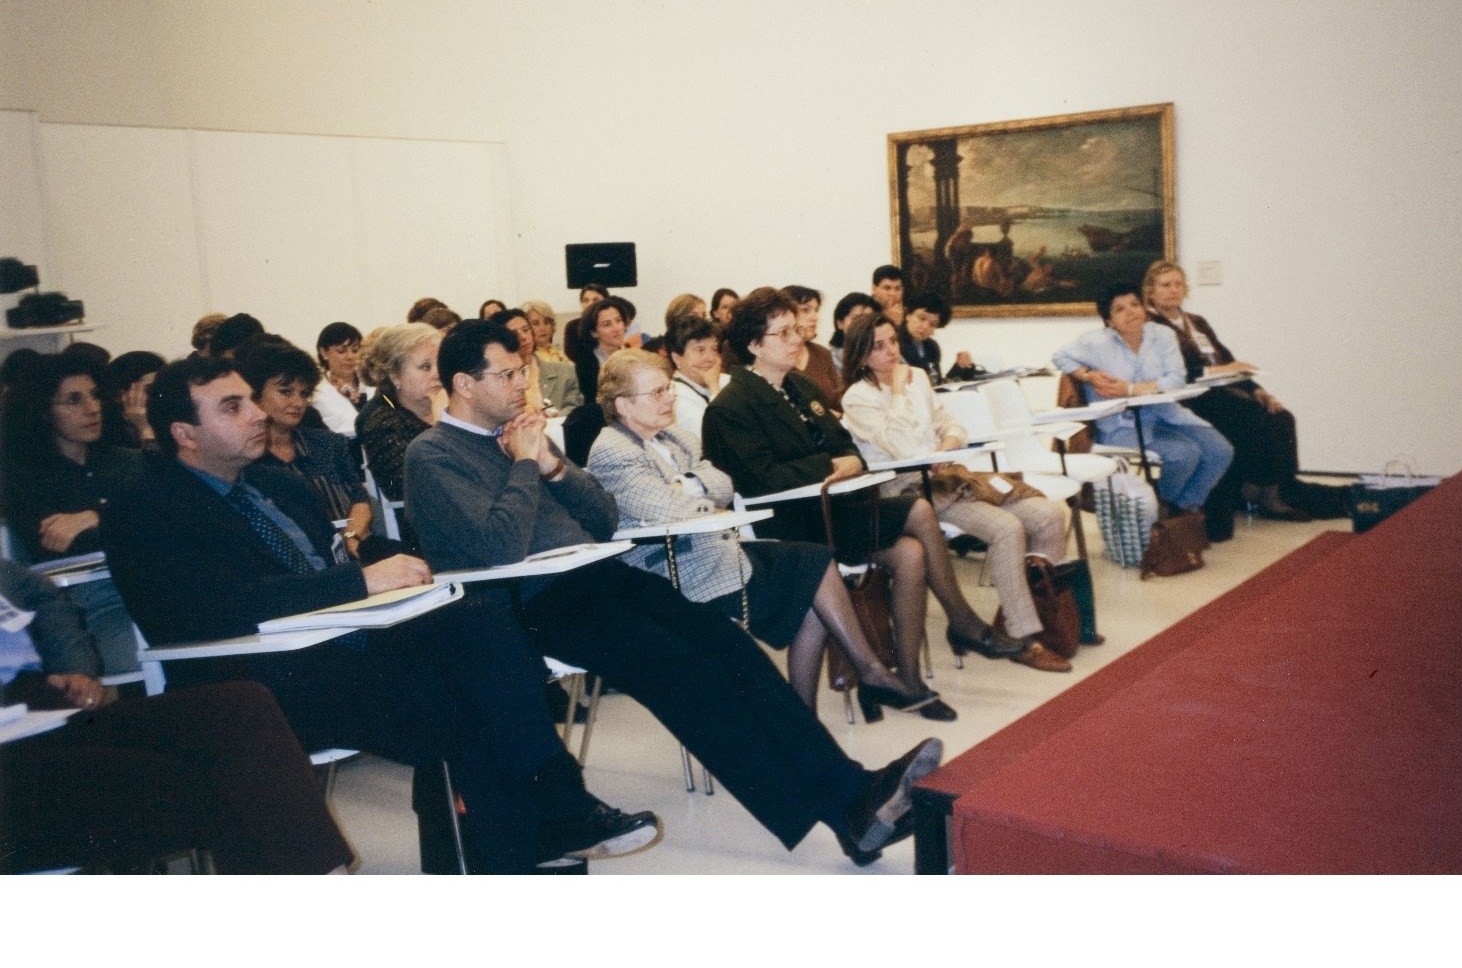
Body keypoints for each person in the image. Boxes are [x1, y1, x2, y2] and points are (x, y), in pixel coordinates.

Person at [403, 320, 943, 866]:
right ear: (465, 385)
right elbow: (499, 546)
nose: (523, 384)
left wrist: (552, 465)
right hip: (527, 603)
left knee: (726, 646)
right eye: (508, 374)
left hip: (597, 576)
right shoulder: (433, 454)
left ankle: (852, 797)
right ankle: (847, 805)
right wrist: (523, 462)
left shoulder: (519, 439)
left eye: (523, 371)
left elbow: (604, 516)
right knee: (686, 670)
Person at [101, 355, 659, 873]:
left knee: (481, 622)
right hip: (263, 683)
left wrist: (394, 561)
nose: (257, 414)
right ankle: (550, 822)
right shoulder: (143, 509)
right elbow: (201, 612)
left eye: (250, 399)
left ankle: (544, 826)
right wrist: (359, 581)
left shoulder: (278, 486)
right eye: (233, 407)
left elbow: (331, 559)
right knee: (473, 699)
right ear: (184, 434)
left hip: (350, 649)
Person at [702, 289, 1025, 705]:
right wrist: (832, 466)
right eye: (782, 333)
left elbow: (846, 446)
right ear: (754, 345)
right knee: (913, 529)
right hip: (786, 524)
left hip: (831, 509)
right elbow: (759, 479)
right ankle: (954, 627)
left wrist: (850, 462)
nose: (795, 338)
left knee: (913, 544)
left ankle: (909, 677)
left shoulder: (799, 386)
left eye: (795, 329)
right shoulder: (733, 406)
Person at [589, 349, 939, 718]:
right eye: (657, 393)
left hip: (718, 548)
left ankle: (820, 705)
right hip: (676, 568)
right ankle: (857, 681)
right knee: (811, 584)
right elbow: (667, 509)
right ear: (624, 405)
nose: (669, 398)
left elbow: (724, 483)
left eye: (667, 389)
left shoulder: (677, 438)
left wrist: (687, 485)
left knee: (815, 564)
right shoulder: (611, 449)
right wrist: (700, 493)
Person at [0, 559, 355, 875]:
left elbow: (41, 595)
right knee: (211, 784)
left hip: (38, 701)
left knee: (240, 708)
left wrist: (72, 667)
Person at [840, 315, 1089, 669]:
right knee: (1007, 528)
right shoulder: (858, 398)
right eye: (878, 346)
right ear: (861, 355)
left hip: (947, 475)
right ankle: (1022, 638)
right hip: (906, 489)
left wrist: (949, 441)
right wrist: (897, 391)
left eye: (893, 341)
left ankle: (1032, 614)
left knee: (1049, 515)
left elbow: (949, 421)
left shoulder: (919, 377)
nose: (892, 351)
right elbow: (903, 447)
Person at [1142, 260, 1322, 528]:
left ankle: (1272, 490)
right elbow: (1179, 372)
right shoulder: (1152, 327)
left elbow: (1227, 359)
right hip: (1190, 398)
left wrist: (1258, 390)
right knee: (1250, 416)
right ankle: (1253, 488)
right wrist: (1224, 370)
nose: (1173, 290)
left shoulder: (1196, 322)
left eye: (1178, 284)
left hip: (1221, 391)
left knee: (1281, 417)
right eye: (1165, 285)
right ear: (1151, 292)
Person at [0, 354, 141, 674]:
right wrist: (119, 518)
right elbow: (59, 542)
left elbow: (169, 514)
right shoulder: (22, 480)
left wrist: (94, 517)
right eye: (73, 400)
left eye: (94, 396)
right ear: (44, 412)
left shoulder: (128, 462)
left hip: (149, 587)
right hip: (90, 606)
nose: (92, 408)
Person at [1053, 282, 1234, 519]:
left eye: (1135, 304)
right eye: (1120, 309)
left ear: (1144, 309)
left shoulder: (1163, 335)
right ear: (1109, 320)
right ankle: (1165, 513)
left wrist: (1132, 389)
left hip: (1166, 413)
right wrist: (1087, 375)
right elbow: (1060, 357)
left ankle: (1177, 508)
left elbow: (1176, 379)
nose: (1131, 312)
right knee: (1184, 454)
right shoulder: (1094, 342)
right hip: (1121, 424)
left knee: (1221, 450)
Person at [235, 338, 383, 564]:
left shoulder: (327, 444)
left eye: (304, 394)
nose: (298, 402)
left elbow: (360, 497)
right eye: (286, 392)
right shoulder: (245, 459)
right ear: (255, 394)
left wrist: (352, 537)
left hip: (355, 550)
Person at [355, 323, 443, 510]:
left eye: (440, 364)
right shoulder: (382, 423)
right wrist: (443, 426)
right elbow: (406, 487)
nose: (438, 374)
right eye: (425, 367)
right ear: (395, 376)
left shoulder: (459, 405)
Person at [495, 307, 583, 415]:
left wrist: (553, 416)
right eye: (514, 333)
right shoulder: (496, 379)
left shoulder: (564, 371)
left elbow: (576, 408)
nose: (523, 337)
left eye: (526, 330)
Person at [664, 315, 729, 439]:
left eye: (714, 349)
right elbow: (722, 437)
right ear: (677, 358)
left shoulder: (727, 381)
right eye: (700, 350)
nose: (710, 358)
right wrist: (714, 387)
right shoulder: (675, 398)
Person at [900, 291, 980, 384]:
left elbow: (936, 383)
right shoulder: (894, 344)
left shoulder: (931, 347)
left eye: (932, 324)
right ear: (908, 315)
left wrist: (960, 368)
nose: (925, 326)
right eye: (921, 319)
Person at [783, 284, 843, 406]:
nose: (815, 317)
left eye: (816, 310)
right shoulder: (775, 355)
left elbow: (839, 400)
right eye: (805, 310)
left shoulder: (822, 353)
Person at [572, 296, 639, 405]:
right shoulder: (585, 365)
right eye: (607, 324)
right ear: (594, 332)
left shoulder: (635, 357)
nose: (616, 328)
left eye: (618, 321)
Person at [310, 321, 368, 436]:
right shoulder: (318, 393)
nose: (350, 357)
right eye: (342, 351)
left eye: (355, 350)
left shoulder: (370, 383)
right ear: (323, 352)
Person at [102, 349, 167, 450]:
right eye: (150, 389)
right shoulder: (106, 435)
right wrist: (145, 430)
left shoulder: (166, 422)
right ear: (121, 395)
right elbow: (155, 463)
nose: (160, 394)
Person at [829, 291, 879, 375]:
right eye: (857, 319)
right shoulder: (830, 360)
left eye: (870, 319)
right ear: (840, 323)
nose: (864, 325)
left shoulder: (887, 350)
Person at [562, 283, 611, 363]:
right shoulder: (573, 326)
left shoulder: (613, 325)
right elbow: (572, 355)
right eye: (585, 300)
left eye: (595, 300)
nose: (590, 304)